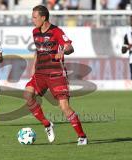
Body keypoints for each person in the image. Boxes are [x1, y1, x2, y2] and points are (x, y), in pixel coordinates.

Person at [23, 5, 87, 145]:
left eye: (34, 17)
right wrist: (33, 68)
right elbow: (38, 51)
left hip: (56, 74)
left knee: (64, 108)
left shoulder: (56, 31)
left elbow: (70, 47)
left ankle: (82, 136)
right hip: (40, 73)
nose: (32, 20)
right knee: (27, 95)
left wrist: (63, 51)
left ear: (43, 17)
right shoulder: (35, 32)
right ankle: (47, 124)